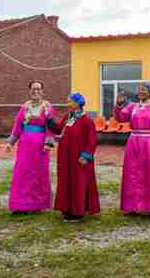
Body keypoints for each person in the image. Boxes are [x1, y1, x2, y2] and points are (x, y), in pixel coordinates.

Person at [115, 82, 150, 216]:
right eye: (139, 90)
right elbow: (121, 117)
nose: (141, 92)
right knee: (131, 173)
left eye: (144, 89)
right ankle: (131, 206)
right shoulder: (133, 106)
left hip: (149, 143)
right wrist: (120, 104)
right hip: (133, 143)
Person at [47, 93, 100, 222]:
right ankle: (67, 208)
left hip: (78, 159)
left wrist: (85, 156)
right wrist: (49, 119)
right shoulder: (68, 117)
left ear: (77, 103)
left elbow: (92, 141)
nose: (68, 104)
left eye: (70, 102)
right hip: (65, 158)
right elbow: (59, 129)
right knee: (66, 181)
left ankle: (78, 212)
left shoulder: (86, 120)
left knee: (78, 183)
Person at [4, 81, 54, 215]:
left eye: (38, 89)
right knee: (22, 173)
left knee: (38, 174)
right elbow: (17, 126)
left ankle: (37, 204)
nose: (35, 91)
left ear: (42, 91)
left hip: (40, 147)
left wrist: (48, 143)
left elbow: (50, 127)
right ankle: (21, 205)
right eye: (33, 89)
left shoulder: (47, 107)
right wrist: (10, 142)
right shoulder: (24, 107)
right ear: (29, 91)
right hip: (25, 146)